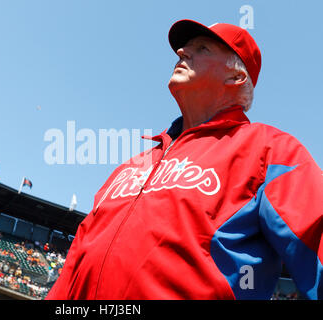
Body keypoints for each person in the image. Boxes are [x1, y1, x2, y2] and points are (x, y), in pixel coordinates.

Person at [46, 19, 322, 300]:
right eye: (183, 48)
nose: (181, 52)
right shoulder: (132, 165)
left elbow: (316, 237)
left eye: (201, 48)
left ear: (236, 78)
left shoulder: (269, 150)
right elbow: (76, 261)